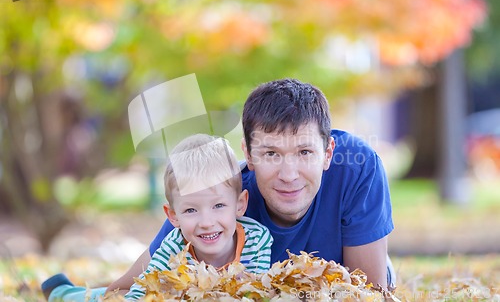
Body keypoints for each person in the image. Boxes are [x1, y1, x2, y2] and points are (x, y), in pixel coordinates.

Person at [42, 78, 395, 300]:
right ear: (248, 155)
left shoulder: (357, 166)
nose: (289, 174)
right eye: (271, 153)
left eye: (304, 152)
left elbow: (373, 290)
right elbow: (143, 279)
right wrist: (94, 293)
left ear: (327, 152)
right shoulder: (219, 197)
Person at [43, 134, 273, 301]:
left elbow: (257, 292)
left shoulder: (257, 239)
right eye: (191, 210)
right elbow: (142, 290)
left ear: (240, 204)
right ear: (172, 216)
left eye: (219, 206)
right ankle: (64, 294)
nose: (206, 221)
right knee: (109, 298)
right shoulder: (173, 247)